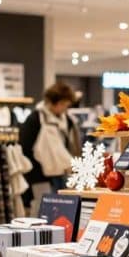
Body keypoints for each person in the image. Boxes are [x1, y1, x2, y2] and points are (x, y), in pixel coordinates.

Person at [20, 82, 81, 214]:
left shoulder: (67, 121)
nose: (66, 108)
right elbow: (25, 147)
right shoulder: (35, 119)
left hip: (63, 174)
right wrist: (36, 169)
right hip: (39, 175)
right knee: (43, 211)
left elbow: (69, 146)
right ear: (55, 102)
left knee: (64, 211)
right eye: (64, 104)